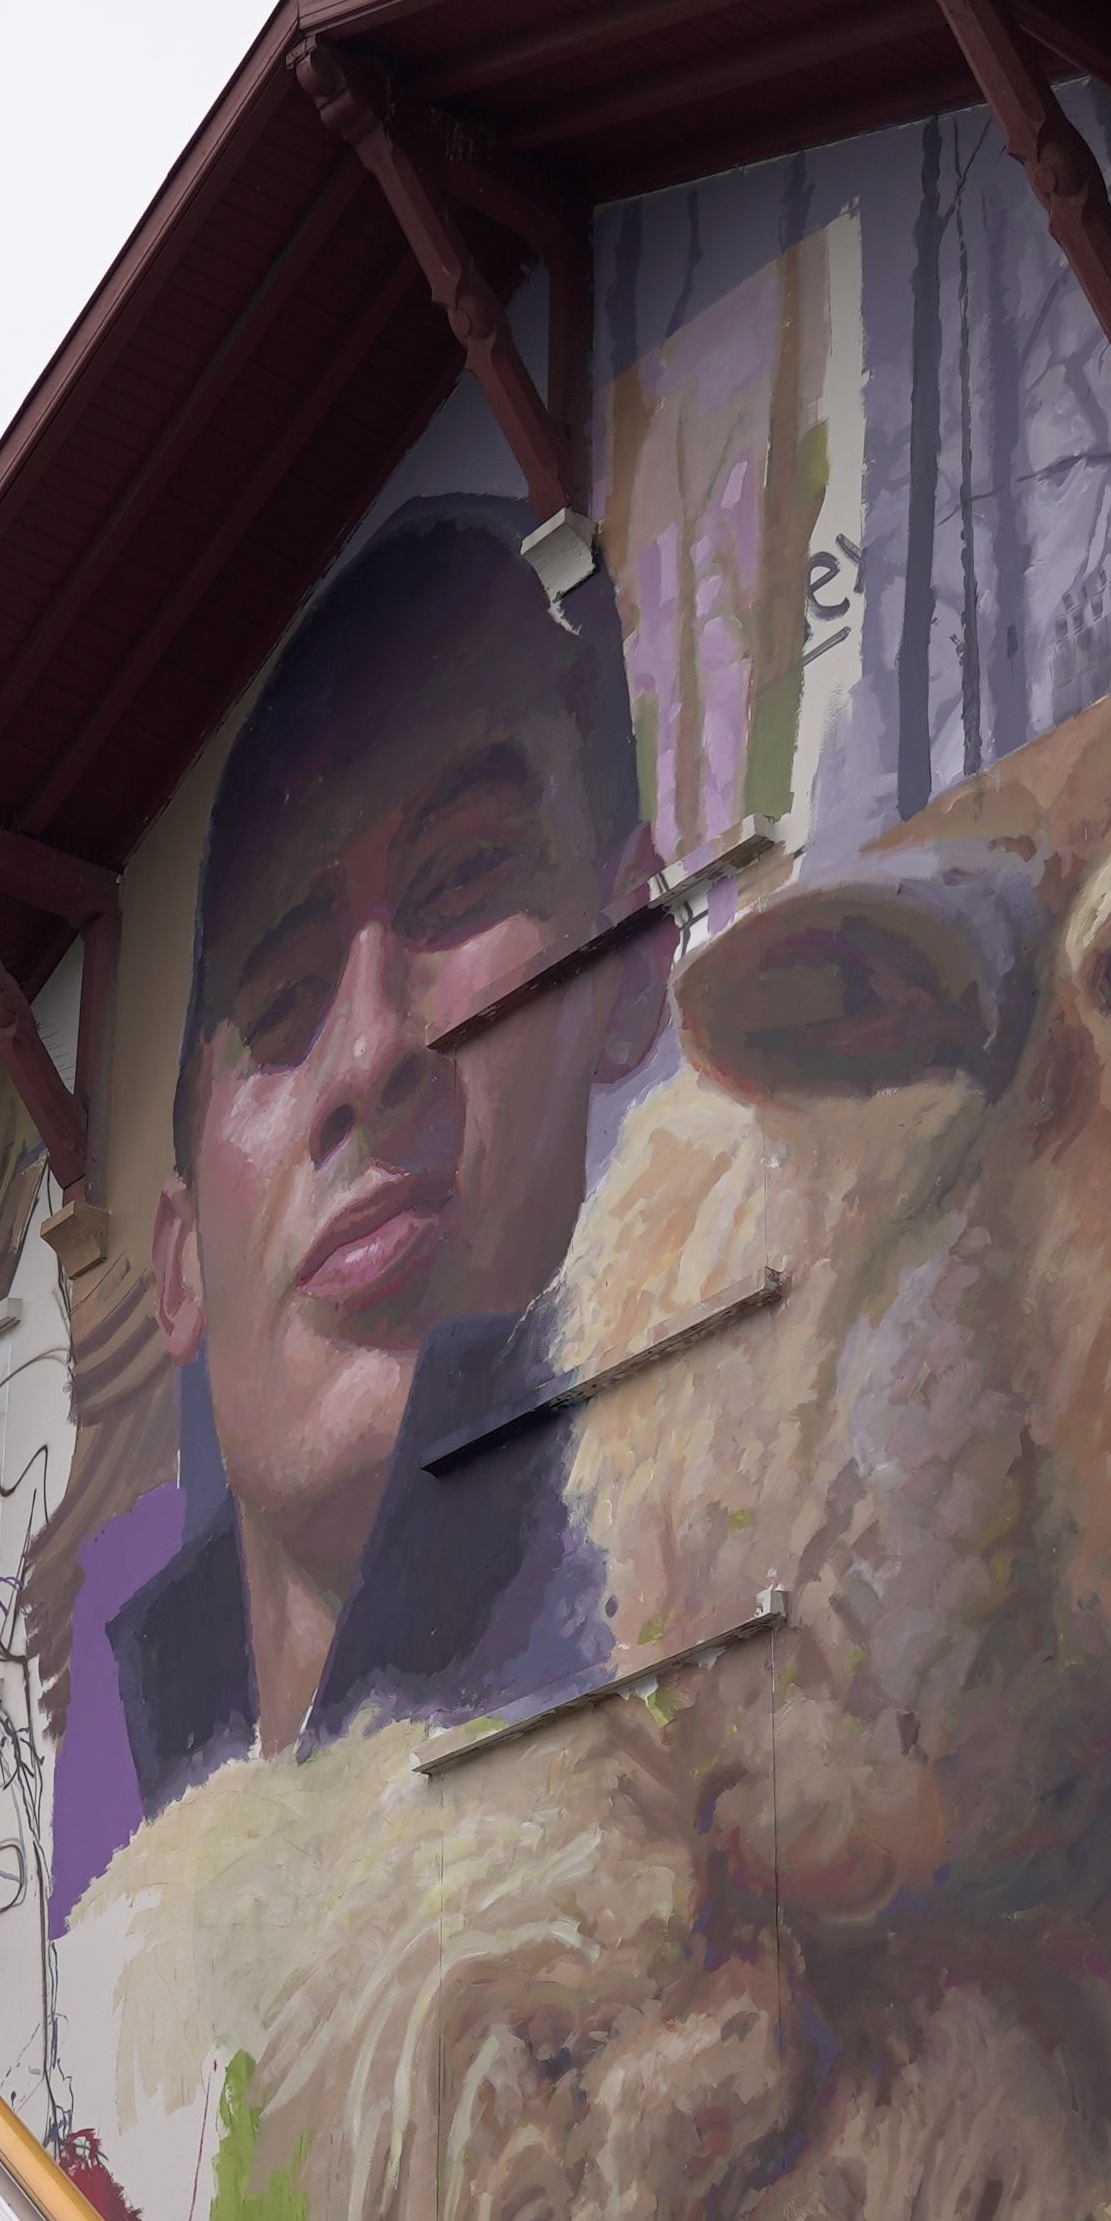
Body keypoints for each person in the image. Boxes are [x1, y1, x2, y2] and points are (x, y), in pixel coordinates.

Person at [116, 498, 658, 1797]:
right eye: (284, 997)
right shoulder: (124, 1910)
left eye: (464, 879)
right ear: (179, 1264)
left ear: (633, 964)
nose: (366, 1055)